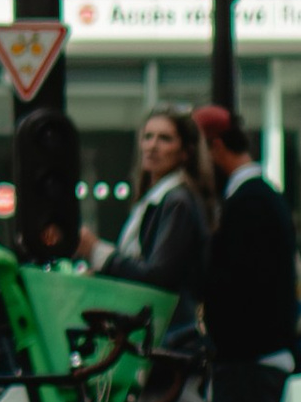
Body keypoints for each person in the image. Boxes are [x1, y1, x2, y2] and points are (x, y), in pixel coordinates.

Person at [192, 101, 301, 402]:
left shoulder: (249, 200)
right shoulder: (260, 195)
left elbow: (243, 285)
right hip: (256, 358)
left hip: (249, 362)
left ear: (215, 147)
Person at [84, 106, 218, 319]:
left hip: (170, 332)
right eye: (147, 137)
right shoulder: (156, 199)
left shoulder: (177, 201)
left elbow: (158, 276)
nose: (152, 146)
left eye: (165, 139)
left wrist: (99, 252)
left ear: (186, 151)